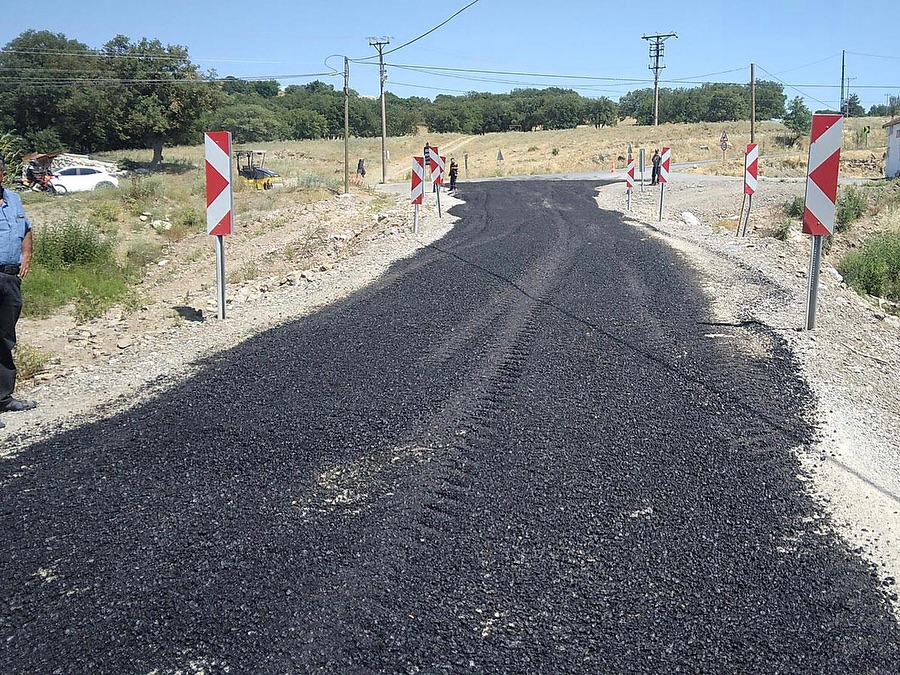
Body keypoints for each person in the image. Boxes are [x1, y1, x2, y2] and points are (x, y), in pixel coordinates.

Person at [0, 157, 37, 429]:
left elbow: (26, 228)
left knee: (5, 338)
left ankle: (4, 398)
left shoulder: (13, 198)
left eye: (0, 172)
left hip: (11, 278)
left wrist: (27, 254)